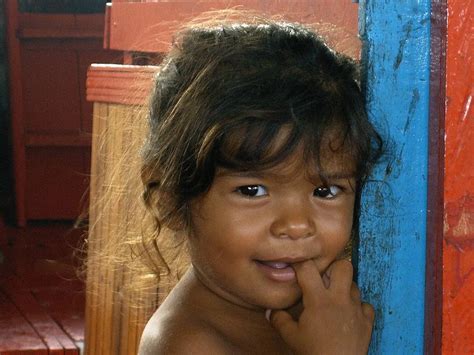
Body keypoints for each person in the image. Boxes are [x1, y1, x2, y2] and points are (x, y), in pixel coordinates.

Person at [137, 15, 383, 355]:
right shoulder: (187, 345)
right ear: (169, 197)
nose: (296, 226)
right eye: (252, 190)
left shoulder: (329, 306)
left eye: (324, 191)